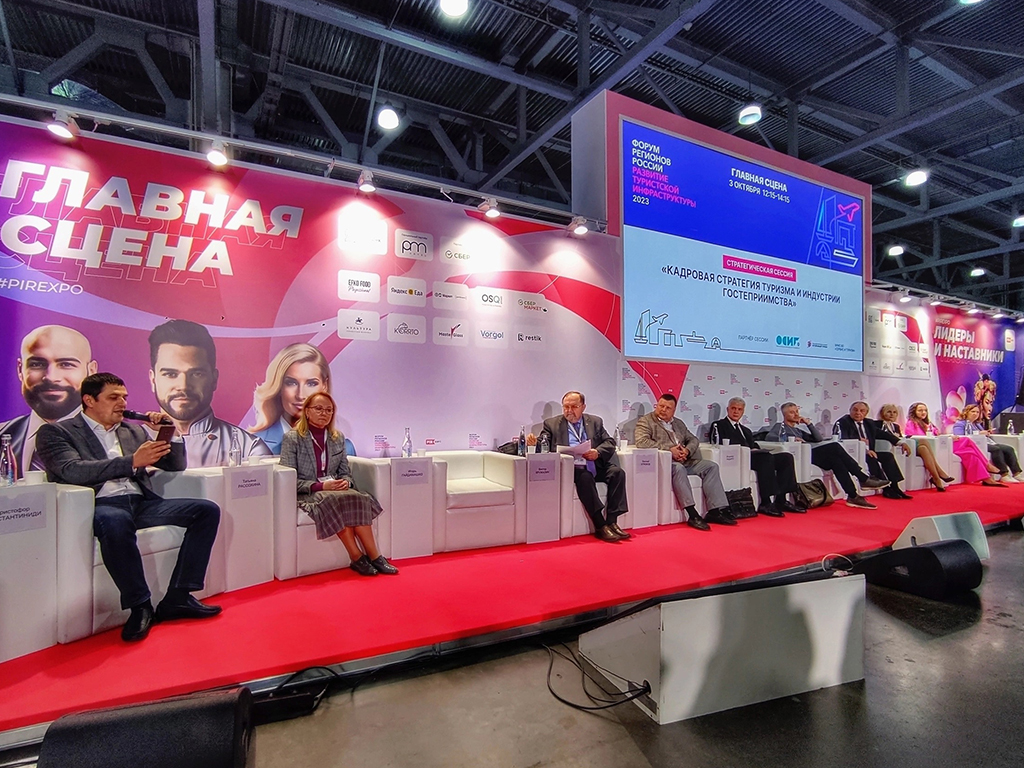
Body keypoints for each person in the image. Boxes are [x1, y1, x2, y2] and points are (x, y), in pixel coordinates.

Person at [35, 373, 221, 642]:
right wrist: (132, 461)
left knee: (206, 510)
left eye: (124, 397)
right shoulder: (58, 432)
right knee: (116, 522)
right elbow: (72, 470)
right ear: (89, 400)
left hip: (140, 503)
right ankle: (140, 605)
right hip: (100, 504)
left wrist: (170, 432)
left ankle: (179, 596)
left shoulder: (133, 430)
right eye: (113, 397)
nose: (122, 403)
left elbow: (175, 465)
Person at [280, 392, 397, 576]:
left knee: (358, 497)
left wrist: (345, 482)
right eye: (319, 409)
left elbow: (345, 472)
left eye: (329, 410)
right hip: (310, 492)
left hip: (334, 490)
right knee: (336, 500)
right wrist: (321, 486)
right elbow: (287, 480)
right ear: (307, 411)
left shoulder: (337, 438)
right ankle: (356, 556)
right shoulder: (292, 438)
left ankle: (375, 557)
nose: (324, 413)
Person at [148, 320, 271, 467]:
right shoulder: (130, 445)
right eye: (170, 374)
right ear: (153, 380)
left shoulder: (249, 449)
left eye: (196, 374)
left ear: (214, 379)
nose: (183, 386)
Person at [526, 391, 629, 542]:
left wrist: (597, 452)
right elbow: (544, 444)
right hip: (572, 468)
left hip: (593, 463)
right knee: (585, 477)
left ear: (583, 407)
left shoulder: (595, 422)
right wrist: (534, 443)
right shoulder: (551, 424)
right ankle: (600, 525)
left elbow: (609, 442)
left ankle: (612, 521)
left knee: (617, 473)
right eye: (566, 407)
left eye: (574, 407)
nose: (569, 411)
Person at [0, 325, 97, 479]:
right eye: (37, 364)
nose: (51, 377)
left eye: (66, 364)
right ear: (20, 370)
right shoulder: (4, 434)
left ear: (91, 371)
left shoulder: (118, 439)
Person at [635, 393, 734, 530]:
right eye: (661, 406)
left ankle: (715, 511)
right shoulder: (646, 421)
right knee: (678, 468)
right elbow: (642, 442)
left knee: (711, 466)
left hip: (684, 460)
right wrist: (670, 450)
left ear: (674, 410)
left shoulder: (678, 423)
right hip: (665, 463)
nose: (663, 410)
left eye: (668, 408)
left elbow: (693, 440)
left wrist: (686, 451)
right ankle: (692, 514)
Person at [766, 402, 890, 509]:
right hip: (801, 456)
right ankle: (862, 478)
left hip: (809, 454)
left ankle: (853, 495)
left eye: (797, 411)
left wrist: (809, 424)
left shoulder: (798, 430)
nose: (796, 414)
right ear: (784, 415)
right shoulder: (780, 426)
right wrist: (790, 439)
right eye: (792, 412)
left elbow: (818, 439)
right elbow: (769, 437)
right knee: (834, 446)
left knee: (836, 461)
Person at [710, 397, 803, 516]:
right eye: (733, 408)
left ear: (743, 411)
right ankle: (766, 502)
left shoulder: (746, 430)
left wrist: (756, 449)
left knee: (786, 457)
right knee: (765, 459)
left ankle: (781, 500)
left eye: (739, 409)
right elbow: (717, 443)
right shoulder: (719, 425)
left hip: (753, 456)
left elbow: (752, 444)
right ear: (728, 409)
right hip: (737, 458)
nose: (736, 412)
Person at [250, 343, 331, 454]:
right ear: (279, 387)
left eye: (311, 383)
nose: (301, 395)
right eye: (291, 383)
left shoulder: (343, 447)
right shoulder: (253, 446)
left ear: (324, 386)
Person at [906, 402, 1004, 487]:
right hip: (934, 445)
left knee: (970, 453)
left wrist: (948, 436)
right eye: (920, 410)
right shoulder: (911, 423)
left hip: (942, 443)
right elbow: (919, 437)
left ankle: (986, 479)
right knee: (966, 440)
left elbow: (938, 434)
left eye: (925, 410)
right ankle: (987, 465)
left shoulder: (929, 423)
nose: (923, 412)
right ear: (914, 412)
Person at [834, 401, 912, 499]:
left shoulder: (869, 423)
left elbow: (884, 434)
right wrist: (864, 448)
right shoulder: (843, 422)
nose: (858, 413)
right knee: (871, 457)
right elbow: (844, 438)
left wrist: (900, 442)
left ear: (866, 413)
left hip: (870, 452)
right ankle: (886, 489)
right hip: (853, 453)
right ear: (850, 411)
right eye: (855, 410)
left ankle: (895, 486)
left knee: (888, 456)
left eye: (862, 411)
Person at [876, 404, 954, 491]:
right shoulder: (878, 424)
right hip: (899, 448)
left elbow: (901, 437)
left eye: (894, 412)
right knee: (923, 441)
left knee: (923, 447)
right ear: (883, 413)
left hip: (906, 446)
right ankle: (939, 473)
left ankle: (936, 478)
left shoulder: (896, 426)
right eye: (889, 412)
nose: (892, 414)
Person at [952, 404, 1022, 483]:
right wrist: (979, 433)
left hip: (987, 442)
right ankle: (1004, 474)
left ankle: (1016, 473)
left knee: (1009, 449)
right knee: (996, 449)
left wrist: (987, 433)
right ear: (966, 412)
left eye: (977, 412)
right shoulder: (960, 424)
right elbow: (961, 436)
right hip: (975, 444)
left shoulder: (977, 424)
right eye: (973, 412)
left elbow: (982, 434)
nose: (975, 414)